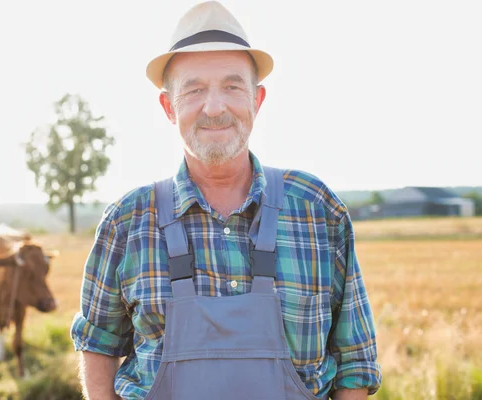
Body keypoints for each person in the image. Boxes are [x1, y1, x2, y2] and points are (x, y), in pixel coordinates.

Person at [70, 1, 382, 399]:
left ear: (258, 99)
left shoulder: (317, 210)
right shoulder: (127, 222)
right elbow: (98, 343)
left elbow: (355, 361)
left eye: (232, 87)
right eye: (194, 89)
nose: (214, 107)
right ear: (169, 107)